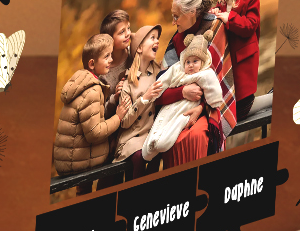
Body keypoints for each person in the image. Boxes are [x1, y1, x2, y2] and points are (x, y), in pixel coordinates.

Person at [155, 0, 235, 165]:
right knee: (170, 139)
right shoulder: (177, 39)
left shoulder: (216, 29)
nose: (173, 22)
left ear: (191, 12)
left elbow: (221, 83)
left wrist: (201, 108)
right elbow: (158, 92)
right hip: (178, 108)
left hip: (210, 108)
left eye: (176, 16)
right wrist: (182, 92)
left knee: (196, 136)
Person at [53, 34, 148, 179]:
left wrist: (114, 98)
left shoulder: (81, 81)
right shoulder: (93, 90)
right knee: (120, 155)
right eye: (106, 56)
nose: (111, 60)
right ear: (92, 64)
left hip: (69, 160)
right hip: (78, 162)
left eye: (111, 55)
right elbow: (94, 133)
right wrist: (118, 117)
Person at [140, 35, 224, 161]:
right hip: (171, 105)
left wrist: (212, 101)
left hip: (186, 108)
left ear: (202, 62)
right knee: (161, 122)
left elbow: (214, 92)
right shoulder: (177, 69)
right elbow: (164, 80)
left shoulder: (204, 74)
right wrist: (155, 92)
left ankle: (161, 143)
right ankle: (149, 149)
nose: (190, 65)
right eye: (188, 62)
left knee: (174, 127)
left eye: (195, 61)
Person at [108, 25, 166, 178]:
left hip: (152, 134)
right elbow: (125, 122)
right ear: (139, 48)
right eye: (152, 38)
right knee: (139, 156)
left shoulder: (160, 73)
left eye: (157, 38)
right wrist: (144, 99)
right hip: (131, 138)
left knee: (159, 150)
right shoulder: (127, 82)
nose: (157, 41)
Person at [212, 0, 262, 120]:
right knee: (227, 106)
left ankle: (271, 99)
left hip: (242, 61)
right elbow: (220, 19)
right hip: (228, 60)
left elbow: (250, 25)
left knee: (241, 109)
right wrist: (215, 13)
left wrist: (230, 18)